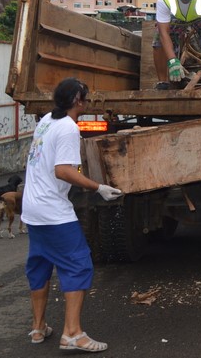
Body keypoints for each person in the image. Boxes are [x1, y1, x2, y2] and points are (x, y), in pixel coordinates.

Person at [22, 78, 123, 352]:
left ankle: (38, 327)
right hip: (53, 211)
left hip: (33, 209)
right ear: (78, 100)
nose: (87, 101)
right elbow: (63, 170)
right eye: (86, 97)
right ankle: (73, 334)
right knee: (78, 265)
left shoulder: (46, 120)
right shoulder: (68, 128)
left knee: (40, 265)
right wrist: (98, 187)